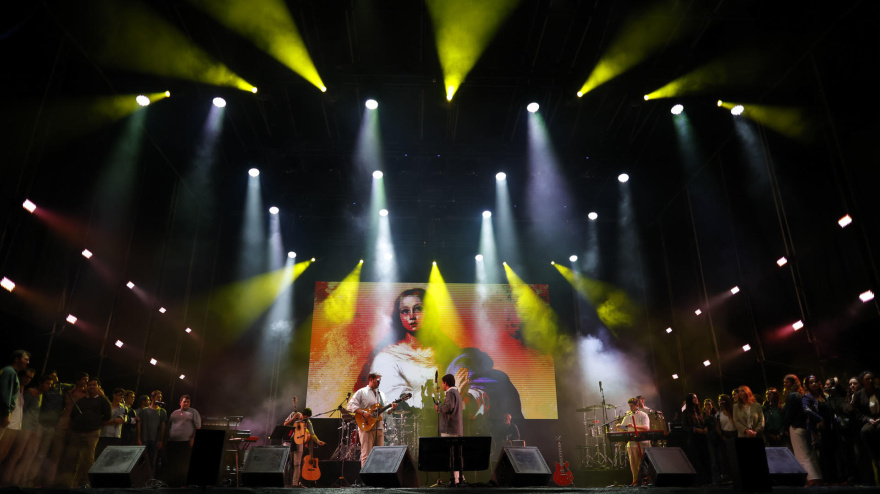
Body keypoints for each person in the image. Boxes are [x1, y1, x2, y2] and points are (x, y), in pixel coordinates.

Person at [64, 377, 111, 487]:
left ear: (98, 386)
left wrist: (97, 424)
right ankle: (73, 481)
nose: (91, 387)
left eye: (94, 385)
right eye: (89, 385)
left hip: (92, 432)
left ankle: (90, 482)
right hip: (78, 432)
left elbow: (107, 416)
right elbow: (73, 415)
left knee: (89, 458)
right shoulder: (82, 400)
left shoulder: (103, 400)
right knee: (74, 456)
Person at [347, 372, 397, 466]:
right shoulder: (362, 392)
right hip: (366, 428)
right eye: (377, 380)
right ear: (371, 379)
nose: (379, 383)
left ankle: (376, 478)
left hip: (379, 427)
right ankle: (365, 480)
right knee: (366, 455)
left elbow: (386, 411)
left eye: (380, 381)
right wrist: (363, 412)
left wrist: (392, 408)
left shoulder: (381, 394)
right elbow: (350, 405)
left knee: (379, 455)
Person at [782, 374, 822, 485]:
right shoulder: (801, 394)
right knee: (810, 454)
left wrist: (785, 427)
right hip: (804, 427)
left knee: (802, 455)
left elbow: (789, 414)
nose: (784, 384)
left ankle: (811, 480)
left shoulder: (792, 396)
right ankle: (818, 478)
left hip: (795, 427)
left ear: (793, 382)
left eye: (787, 382)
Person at [0, 367, 34, 484]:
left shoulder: (23, 390)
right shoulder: (15, 386)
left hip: (16, 426)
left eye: (30, 378)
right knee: (1, 452)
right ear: (20, 376)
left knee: (5, 454)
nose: (28, 379)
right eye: (26, 377)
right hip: (8, 424)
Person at [164, 395, 201, 486]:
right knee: (173, 463)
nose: (186, 403)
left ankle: (183, 483)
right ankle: (172, 483)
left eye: (188, 402)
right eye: (184, 401)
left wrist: (193, 439)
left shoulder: (193, 412)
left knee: (183, 463)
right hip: (173, 442)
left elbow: (198, 427)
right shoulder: (174, 413)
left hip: (185, 442)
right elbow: (168, 426)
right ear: (180, 402)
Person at [435, 373, 464, 484]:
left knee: (451, 455)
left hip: (449, 429)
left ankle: (455, 479)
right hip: (455, 429)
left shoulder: (450, 392)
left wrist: (439, 408)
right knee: (456, 455)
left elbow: (448, 407)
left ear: (445, 383)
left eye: (442, 383)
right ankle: (457, 478)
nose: (442, 385)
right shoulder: (457, 393)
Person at [852, 370, 880, 485]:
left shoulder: (878, 391)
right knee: (865, 431)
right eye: (867, 379)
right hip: (870, 420)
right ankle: (873, 455)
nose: (870, 381)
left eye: (871, 378)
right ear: (863, 382)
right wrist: (868, 419)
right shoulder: (859, 395)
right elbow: (857, 413)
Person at [286, 408, 325, 486]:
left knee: (297, 464)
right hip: (289, 441)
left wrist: (318, 441)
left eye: (307, 418)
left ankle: (295, 484)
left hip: (299, 442)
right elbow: (285, 424)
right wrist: (293, 418)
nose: (305, 419)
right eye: (305, 417)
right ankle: (285, 482)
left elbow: (312, 434)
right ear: (302, 414)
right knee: (287, 462)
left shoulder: (308, 422)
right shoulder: (294, 414)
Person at [617, 397, 650, 485]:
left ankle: (645, 482)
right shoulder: (628, 416)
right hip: (631, 443)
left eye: (632, 406)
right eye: (629, 406)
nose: (630, 408)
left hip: (642, 442)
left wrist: (634, 426)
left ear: (637, 405)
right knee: (633, 465)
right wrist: (620, 426)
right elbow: (624, 428)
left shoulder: (643, 415)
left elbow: (646, 428)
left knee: (642, 464)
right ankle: (636, 482)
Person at [0, 350, 30, 440]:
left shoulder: (12, 372)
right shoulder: (9, 372)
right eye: (26, 359)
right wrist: (6, 415)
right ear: (17, 359)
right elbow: (5, 394)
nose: (28, 362)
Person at [137, 390, 167, 475]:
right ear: (152, 398)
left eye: (160, 397)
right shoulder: (144, 411)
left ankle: (150, 479)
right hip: (144, 439)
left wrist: (161, 440)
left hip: (155, 440)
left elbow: (163, 426)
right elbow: (139, 424)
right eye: (158, 397)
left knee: (152, 461)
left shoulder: (162, 411)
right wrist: (138, 438)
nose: (159, 399)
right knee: (141, 461)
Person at [95, 388, 126, 459]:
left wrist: (105, 421)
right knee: (99, 456)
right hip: (103, 434)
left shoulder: (123, 408)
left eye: (122, 395)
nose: (121, 397)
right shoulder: (107, 406)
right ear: (114, 395)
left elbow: (120, 421)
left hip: (115, 436)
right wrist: (113, 420)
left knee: (110, 458)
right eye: (119, 395)